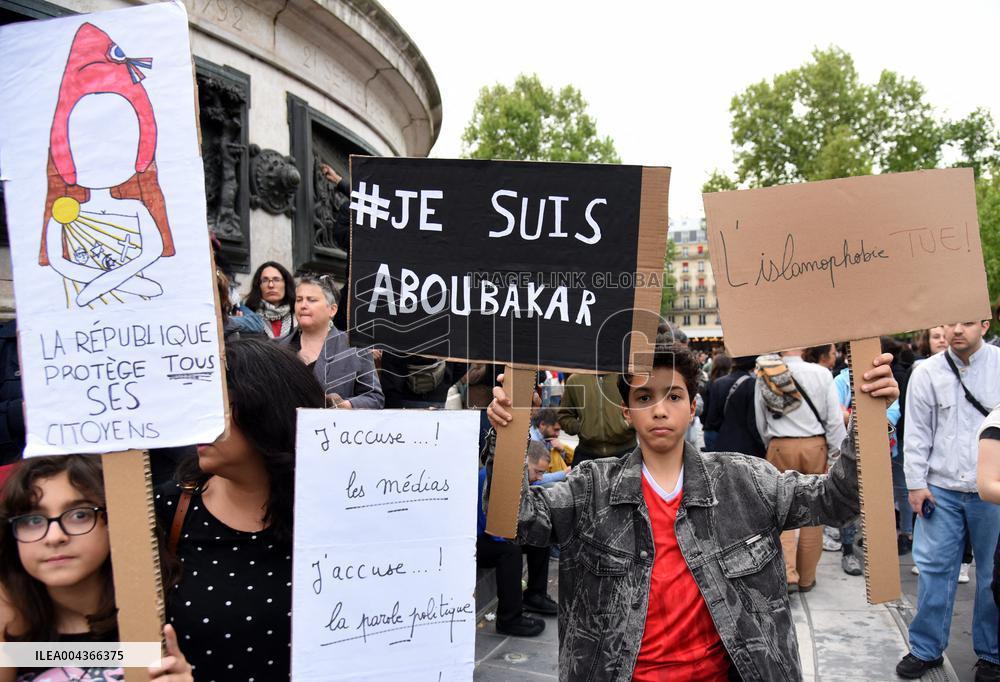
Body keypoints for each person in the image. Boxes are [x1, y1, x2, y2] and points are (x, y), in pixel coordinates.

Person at [486, 344, 898, 680]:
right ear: (627, 413)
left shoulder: (745, 480)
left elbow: (836, 499)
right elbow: (517, 520)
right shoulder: (590, 487)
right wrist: (509, 430)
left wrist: (870, 417)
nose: (660, 409)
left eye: (674, 395)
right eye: (645, 397)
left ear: (693, 406)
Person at [158, 338, 325, 680]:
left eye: (222, 404)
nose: (201, 418)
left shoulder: (333, 513)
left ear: (268, 411)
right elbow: (108, 640)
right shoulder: (167, 510)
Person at [1, 455, 192, 682]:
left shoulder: (173, 619)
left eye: (79, 515)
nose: (54, 537)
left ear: (116, 522)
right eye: (33, 520)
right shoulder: (11, 628)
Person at [898, 320, 1000, 680]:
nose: (957, 329)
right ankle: (926, 648)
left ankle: (992, 654)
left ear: (984, 324)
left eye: (968, 322)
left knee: (992, 575)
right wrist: (915, 483)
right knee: (933, 570)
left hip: (993, 491)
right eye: (950, 321)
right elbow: (917, 431)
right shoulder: (926, 372)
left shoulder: (999, 365)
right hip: (940, 488)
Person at [755, 348, 847, 591]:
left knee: (780, 511)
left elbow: (760, 417)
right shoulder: (821, 373)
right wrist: (836, 452)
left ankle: (787, 574)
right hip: (815, 445)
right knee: (814, 512)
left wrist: (772, 443)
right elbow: (834, 419)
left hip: (780, 444)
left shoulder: (765, 372)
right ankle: (807, 577)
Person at [476, 443, 556, 638]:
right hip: (478, 537)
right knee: (509, 551)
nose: (540, 478)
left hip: (499, 531)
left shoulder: (521, 478)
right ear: (524, 463)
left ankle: (535, 595)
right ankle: (509, 619)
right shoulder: (493, 475)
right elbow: (491, 524)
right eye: (537, 472)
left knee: (541, 533)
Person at [282, 274, 384, 409]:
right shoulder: (277, 348)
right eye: (299, 300)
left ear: (332, 309)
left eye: (311, 300)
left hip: (331, 428)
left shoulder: (355, 347)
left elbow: (375, 398)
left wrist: (346, 405)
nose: (303, 305)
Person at [557, 373, 635, 464]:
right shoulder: (574, 380)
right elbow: (564, 415)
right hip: (586, 455)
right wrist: (581, 428)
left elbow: (641, 408)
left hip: (626, 453)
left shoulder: (627, 377)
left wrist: (628, 425)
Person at [708, 355, 766, 458]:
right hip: (749, 445)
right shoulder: (754, 384)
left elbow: (712, 418)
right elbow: (753, 421)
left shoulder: (718, 383)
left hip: (723, 441)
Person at [245, 261, 296, 339]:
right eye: (265, 280)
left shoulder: (298, 317)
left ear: (286, 284)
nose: (271, 285)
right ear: (258, 286)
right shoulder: (248, 317)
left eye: (276, 280)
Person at [530, 408, 574, 473]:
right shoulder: (533, 442)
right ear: (542, 425)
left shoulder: (547, 437)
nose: (558, 434)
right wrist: (564, 473)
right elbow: (537, 478)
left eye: (559, 430)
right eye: (556, 430)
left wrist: (562, 450)